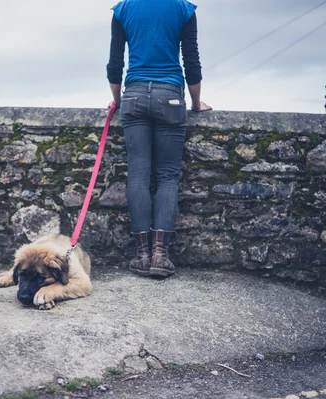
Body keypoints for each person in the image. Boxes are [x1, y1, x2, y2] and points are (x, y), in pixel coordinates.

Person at [107, 0, 212, 278]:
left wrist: (118, 101)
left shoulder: (123, 9)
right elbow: (191, 60)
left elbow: (115, 63)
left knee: (138, 175)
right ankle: (160, 257)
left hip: (134, 95)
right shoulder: (183, 9)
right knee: (167, 177)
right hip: (171, 96)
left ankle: (142, 256)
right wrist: (197, 103)